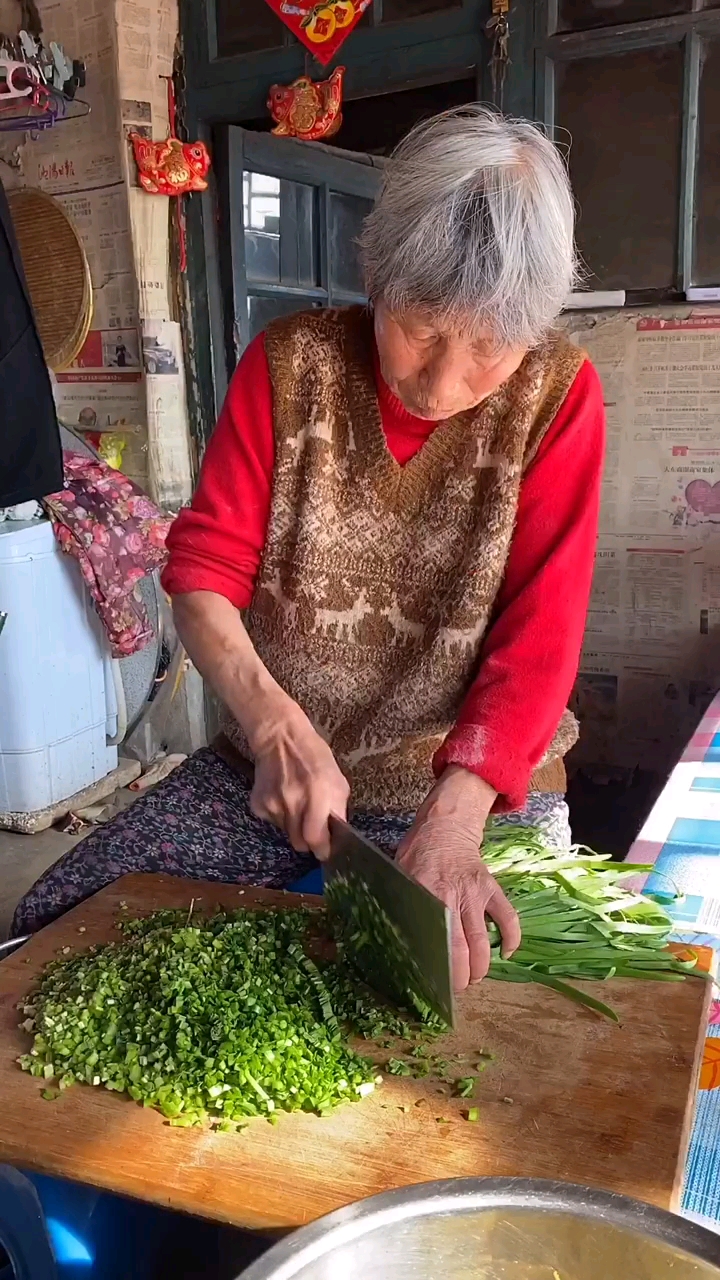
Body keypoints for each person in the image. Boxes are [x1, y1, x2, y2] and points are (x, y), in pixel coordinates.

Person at [14, 107, 605, 991]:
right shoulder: (290, 367)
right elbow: (202, 574)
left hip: (472, 793)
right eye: (422, 329)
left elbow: (541, 637)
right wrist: (275, 724)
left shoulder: (560, 397)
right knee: (58, 924)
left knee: (483, 993)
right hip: (277, 778)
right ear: (375, 273)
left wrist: (452, 824)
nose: (444, 381)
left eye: (488, 347)